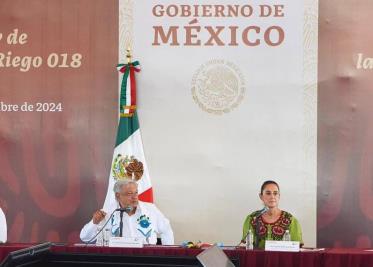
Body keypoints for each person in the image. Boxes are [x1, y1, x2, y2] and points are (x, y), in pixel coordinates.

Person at [80, 179, 174, 245]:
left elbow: (166, 229)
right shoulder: (107, 212)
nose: (134, 197)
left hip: (145, 258)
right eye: (129, 194)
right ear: (118, 195)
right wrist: (94, 223)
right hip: (117, 258)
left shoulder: (150, 209)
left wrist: (167, 253)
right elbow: (84, 237)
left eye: (136, 192)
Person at [241, 180, 303, 249]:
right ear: (261, 196)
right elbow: (246, 248)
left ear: (279, 196)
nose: (272, 196)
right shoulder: (252, 218)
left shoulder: (290, 220)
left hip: (282, 259)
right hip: (257, 259)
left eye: (275, 193)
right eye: (268, 193)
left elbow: (296, 249)